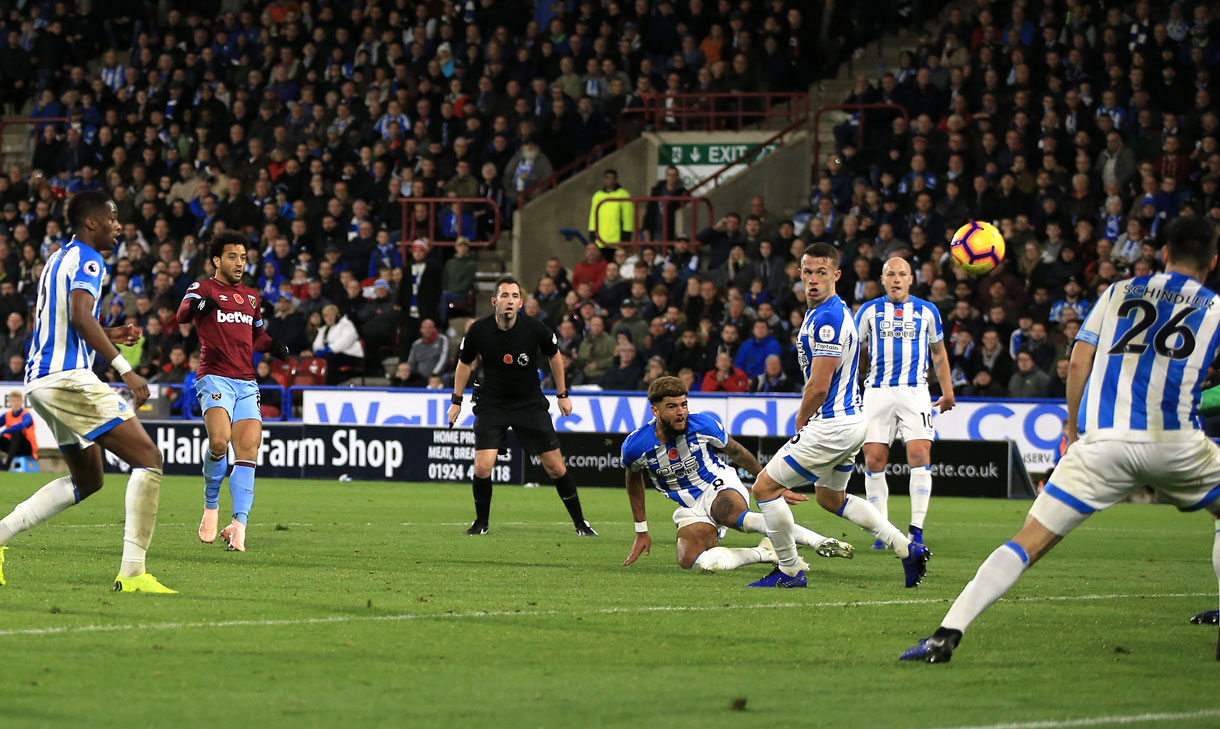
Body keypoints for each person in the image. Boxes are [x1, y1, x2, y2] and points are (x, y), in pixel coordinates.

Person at [901, 216, 1220, 664]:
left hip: (1103, 444)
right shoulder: (1215, 307)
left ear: (1164, 254)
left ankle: (945, 635)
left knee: (1027, 540)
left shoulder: (1118, 292)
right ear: (1213, 261)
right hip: (1178, 443)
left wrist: (1073, 428)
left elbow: (1079, 360)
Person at [0, 190, 172, 592]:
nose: (118, 226)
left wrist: (112, 333)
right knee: (148, 458)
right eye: (112, 218)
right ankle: (133, 574)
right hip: (66, 378)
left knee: (89, 479)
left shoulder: (56, 260)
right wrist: (125, 369)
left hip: (41, 381)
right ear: (90, 222)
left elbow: (68, 321)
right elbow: (80, 317)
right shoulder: (90, 259)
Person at [744, 243, 932, 589]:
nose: (813, 280)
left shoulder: (828, 318)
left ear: (836, 275)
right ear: (799, 274)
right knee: (831, 498)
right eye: (808, 272)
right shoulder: (829, 310)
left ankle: (788, 570)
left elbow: (819, 385)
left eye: (821, 273)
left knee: (765, 488)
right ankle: (907, 549)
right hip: (851, 423)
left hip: (831, 424)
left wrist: (802, 418)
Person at [621, 376, 853, 572]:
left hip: (718, 485)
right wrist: (641, 530)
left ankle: (819, 541)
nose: (681, 412)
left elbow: (736, 451)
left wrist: (771, 483)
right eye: (672, 407)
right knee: (692, 561)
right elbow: (633, 479)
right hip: (689, 506)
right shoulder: (636, 445)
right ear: (655, 410)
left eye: (684, 404)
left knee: (732, 515)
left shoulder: (702, 425)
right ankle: (764, 552)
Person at [447, 277, 596, 536]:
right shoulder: (478, 330)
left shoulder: (536, 328)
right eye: (504, 296)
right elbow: (464, 363)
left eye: (514, 296)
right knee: (483, 466)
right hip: (492, 403)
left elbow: (555, 355)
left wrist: (563, 394)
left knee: (556, 467)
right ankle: (481, 523)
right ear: (495, 301)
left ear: (521, 303)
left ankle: (581, 524)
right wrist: (456, 400)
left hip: (529, 404)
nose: (509, 301)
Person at [177, 231, 289, 552]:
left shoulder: (251, 297)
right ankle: (211, 505)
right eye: (232, 257)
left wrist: (275, 346)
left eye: (242, 257)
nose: (239, 263)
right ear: (216, 260)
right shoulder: (203, 287)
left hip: (246, 381)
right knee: (218, 442)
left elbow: (258, 337)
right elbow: (182, 314)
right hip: (214, 376)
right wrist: (199, 304)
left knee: (249, 449)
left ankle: (238, 525)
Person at [854, 257, 955, 549]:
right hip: (877, 390)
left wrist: (947, 391)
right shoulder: (869, 311)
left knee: (920, 453)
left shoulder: (927, 311)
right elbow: (853, 351)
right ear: (882, 280)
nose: (896, 279)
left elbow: (939, 353)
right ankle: (882, 531)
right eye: (890, 275)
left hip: (915, 391)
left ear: (911, 279)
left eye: (902, 274)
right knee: (873, 458)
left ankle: (916, 530)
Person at [588, 168, 634, 248]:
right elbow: (593, 216)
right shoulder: (597, 196)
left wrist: (626, 236)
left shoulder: (623, 194)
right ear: (604, 179)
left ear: (616, 180)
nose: (610, 181)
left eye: (612, 178)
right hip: (600, 241)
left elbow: (628, 217)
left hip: (617, 241)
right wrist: (592, 233)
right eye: (607, 178)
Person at [0, 390, 36, 469]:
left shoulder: (26, 414)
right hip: (12, 448)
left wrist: (5, 431)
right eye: (13, 401)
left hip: (26, 448)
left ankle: (7, 465)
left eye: (17, 400)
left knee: (17, 432)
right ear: (9, 402)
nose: (15, 403)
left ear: (22, 401)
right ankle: (1, 465)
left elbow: (22, 425)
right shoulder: (7, 415)